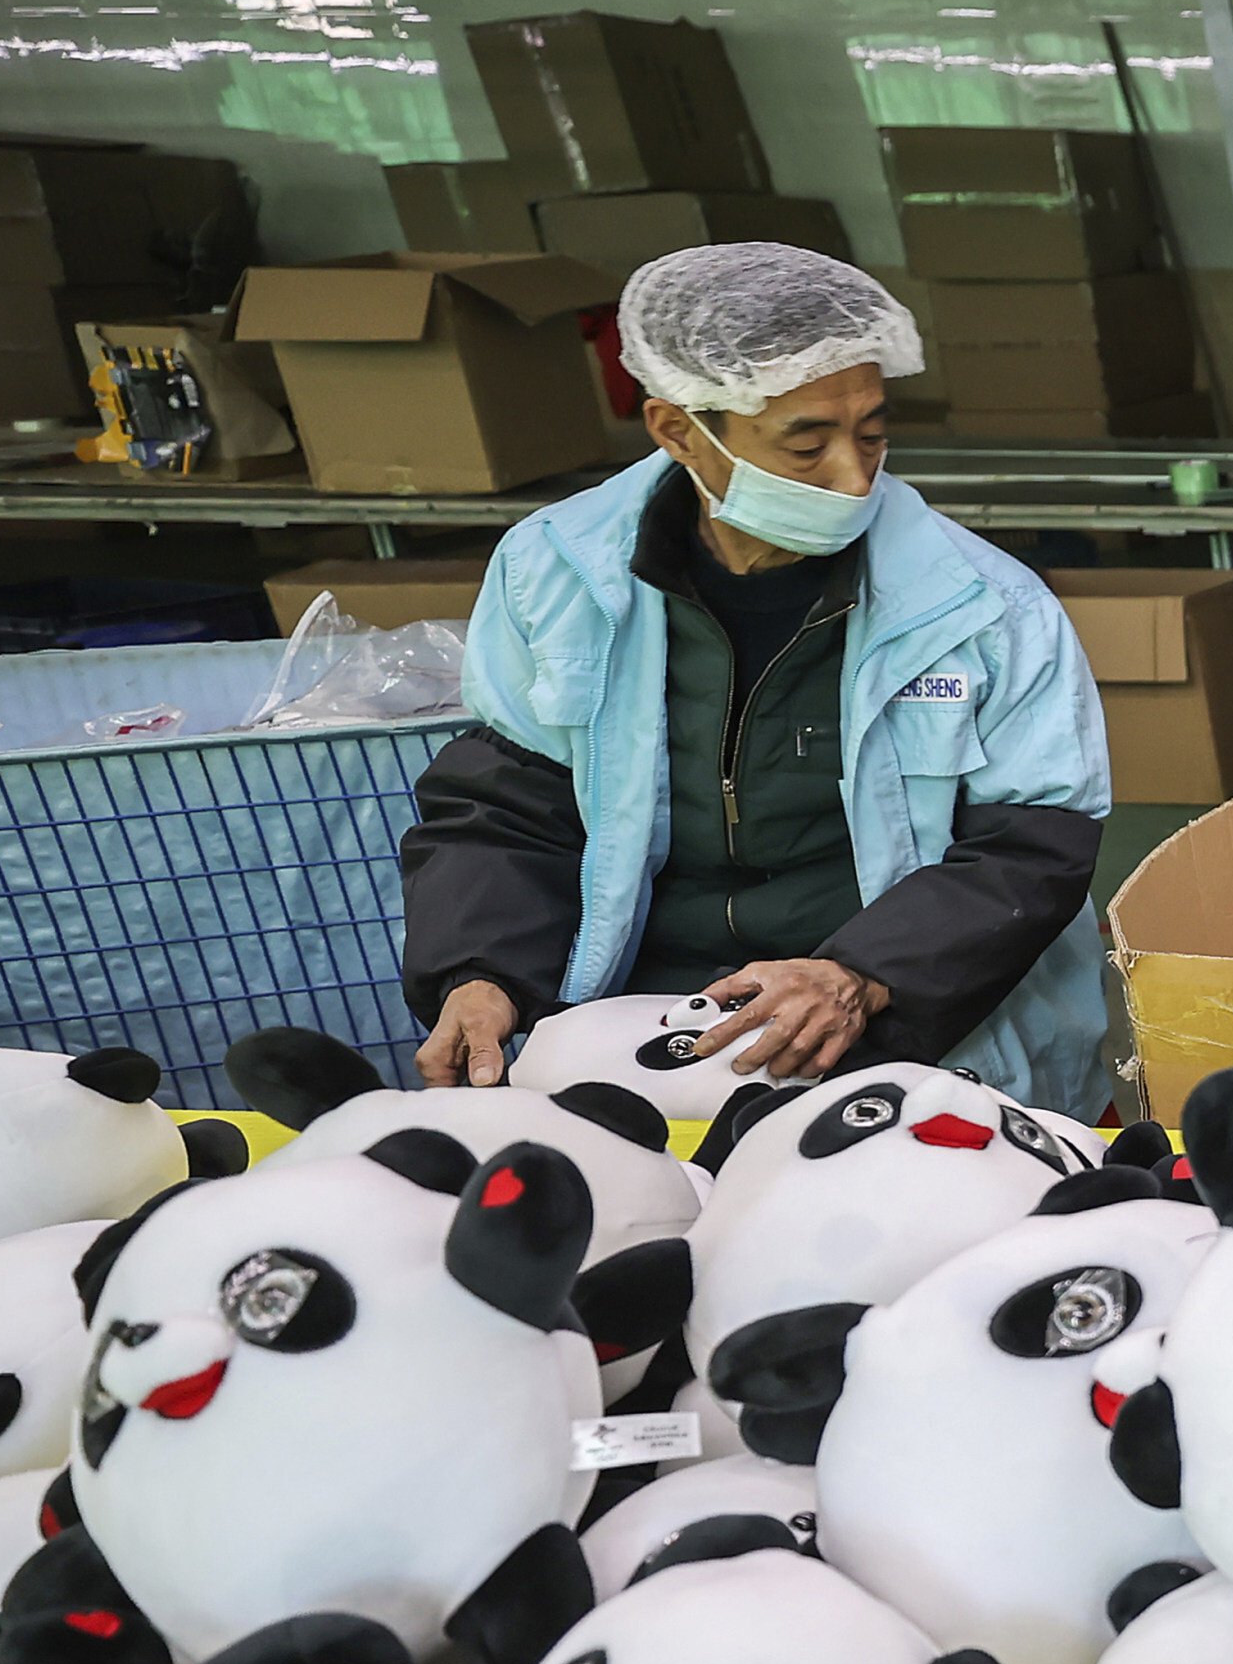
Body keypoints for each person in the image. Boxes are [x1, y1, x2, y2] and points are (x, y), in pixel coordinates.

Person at [399, 244, 1114, 1116]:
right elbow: (509, 806)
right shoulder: (555, 575)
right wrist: (479, 972)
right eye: (806, 443)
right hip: (644, 1016)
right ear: (679, 432)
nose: (854, 476)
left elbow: (1028, 848)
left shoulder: (984, 608)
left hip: (898, 1028)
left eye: (873, 432)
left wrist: (860, 974)